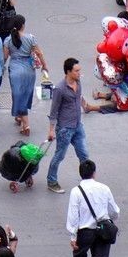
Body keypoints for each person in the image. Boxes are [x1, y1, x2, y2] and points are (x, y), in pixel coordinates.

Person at [67, 159, 119, 257]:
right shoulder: (104, 188)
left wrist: (73, 236)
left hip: (85, 232)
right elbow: (115, 211)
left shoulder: (76, 191)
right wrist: (108, 220)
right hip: (103, 230)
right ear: (94, 173)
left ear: (80, 174)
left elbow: (73, 216)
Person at [47, 58, 96, 193]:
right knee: (59, 156)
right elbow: (54, 111)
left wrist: (85, 106)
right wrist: (51, 130)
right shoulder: (60, 89)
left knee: (84, 155)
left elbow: (79, 97)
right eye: (76, 71)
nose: (79, 73)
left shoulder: (78, 82)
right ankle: (51, 181)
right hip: (65, 129)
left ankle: (87, 182)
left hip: (77, 126)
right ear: (68, 72)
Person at [5, 15, 47, 137]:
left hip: (15, 68)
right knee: (26, 94)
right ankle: (21, 117)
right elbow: (39, 53)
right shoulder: (31, 38)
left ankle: (26, 124)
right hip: (29, 69)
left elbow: (5, 56)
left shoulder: (8, 40)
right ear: (23, 25)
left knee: (17, 94)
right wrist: (45, 66)